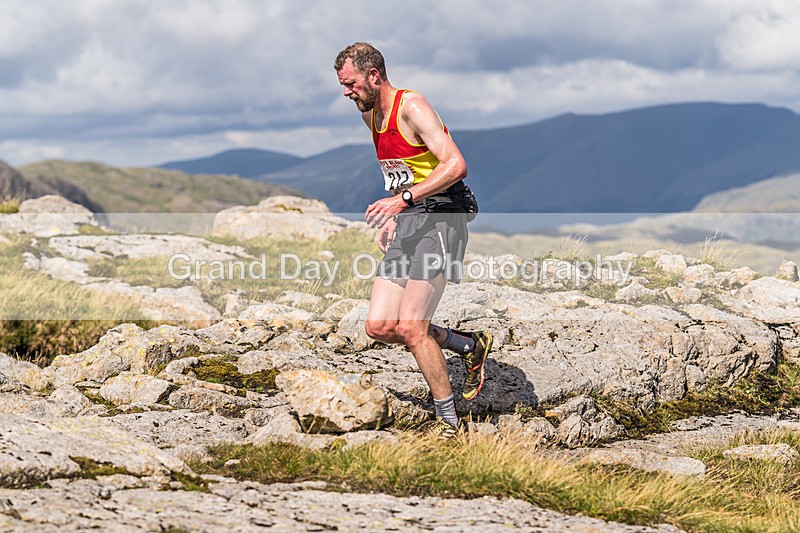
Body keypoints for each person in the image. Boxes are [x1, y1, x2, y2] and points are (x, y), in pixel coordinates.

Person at [334, 42, 492, 439]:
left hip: (442, 218)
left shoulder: (412, 106)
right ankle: (466, 345)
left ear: (374, 75)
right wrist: (396, 212)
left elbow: (456, 164)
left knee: (411, 327)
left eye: (351, 83)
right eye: (343, 85)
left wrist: (401, 200)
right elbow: (401, 171)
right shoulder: (370, 115)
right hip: (411, 218)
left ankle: (449, 422)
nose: (346, 92)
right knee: (379, 325)